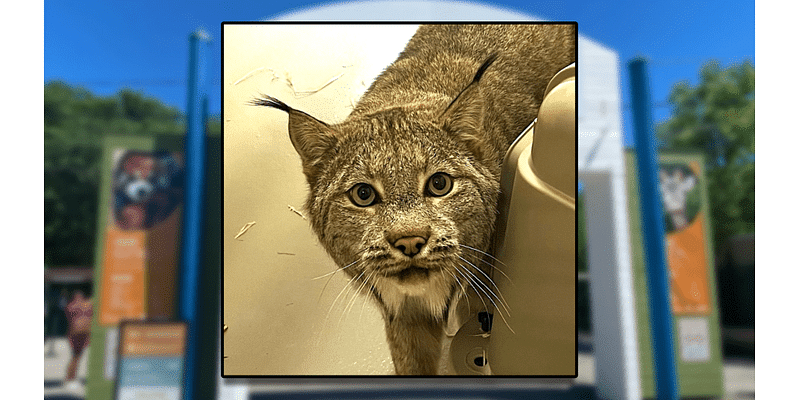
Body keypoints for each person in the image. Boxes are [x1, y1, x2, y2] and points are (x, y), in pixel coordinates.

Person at [64, 290, 92, 386]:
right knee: (76, 356)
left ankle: (71, 377)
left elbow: (68, 317)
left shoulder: (70, 306)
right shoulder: (88, 304)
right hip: (84, 332)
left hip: (74, 333)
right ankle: (70, 377)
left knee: (76, 355)